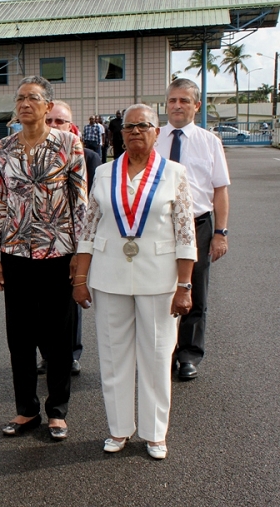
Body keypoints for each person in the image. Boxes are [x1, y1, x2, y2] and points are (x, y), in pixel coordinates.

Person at [73, 104, 196, 459]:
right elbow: (89, 229)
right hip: (109, 276)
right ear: (119, 133)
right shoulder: (104, 173)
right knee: (113, 357)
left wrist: (185, 285)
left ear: (157, 132)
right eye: (128, 127)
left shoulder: (174, 173)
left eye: (143, 126)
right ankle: (118, 429)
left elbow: (186, 232)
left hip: (159, 278)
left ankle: (155, 433)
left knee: (157, 356)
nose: (135, 132)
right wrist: (80, 278)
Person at [0, 76, 86, 441]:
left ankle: (57, 411)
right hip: (15, 253)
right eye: (20, 98)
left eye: (32, 98)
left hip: (59, 252)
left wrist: (80, 255)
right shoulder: (3, 147)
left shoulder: (68, 143)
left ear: (48, 106)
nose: (25, 104)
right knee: (20, 336)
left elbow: (80, 203)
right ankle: (26, 410)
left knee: (58, 336)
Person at [154, 78, 230, 381]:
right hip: (159, 226)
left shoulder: (209, 142)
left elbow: (220, 189)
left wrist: (220, 233)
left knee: (194, 292)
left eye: (184, 100)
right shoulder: (154, 137)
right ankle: (163, 353)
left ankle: (188, 355)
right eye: (173, 100)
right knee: (159, 289)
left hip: (198, 224)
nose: (177, 106)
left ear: (196, 106)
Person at [36, 99, 101, 376]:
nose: (54, 125)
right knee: (40, 303)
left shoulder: (88, 157)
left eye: (59, 121)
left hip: (72, 242)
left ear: (71, 125)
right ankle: (47, 354)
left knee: (68, 303)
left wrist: (83, 245)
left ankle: (71, 353)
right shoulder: (31, 152)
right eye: (49, 120)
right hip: (38, 241)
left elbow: (93, 203)